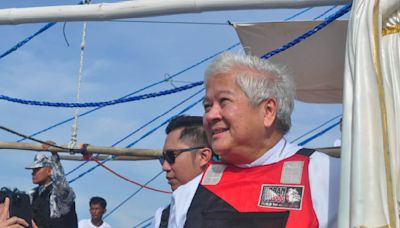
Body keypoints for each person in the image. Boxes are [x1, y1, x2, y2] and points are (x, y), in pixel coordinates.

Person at [177, 52, 341, 228]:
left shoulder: (328, 176)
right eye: (207, 106)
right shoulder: (187, 195)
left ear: (268, 111)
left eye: (224, 102)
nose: (210, 115)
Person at [151, 115, 213, 228]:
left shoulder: (228, 209)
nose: (165, 167)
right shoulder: (162, 217)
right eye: (163, 158)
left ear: (203, 156)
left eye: (171, 156)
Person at [25, 142, 78, 228]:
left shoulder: (60, 195)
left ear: (49, 171)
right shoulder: (33, 195)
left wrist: (54, 153)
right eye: (33, 170)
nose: (33, 173)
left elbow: (61, 182)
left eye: (37, 169)